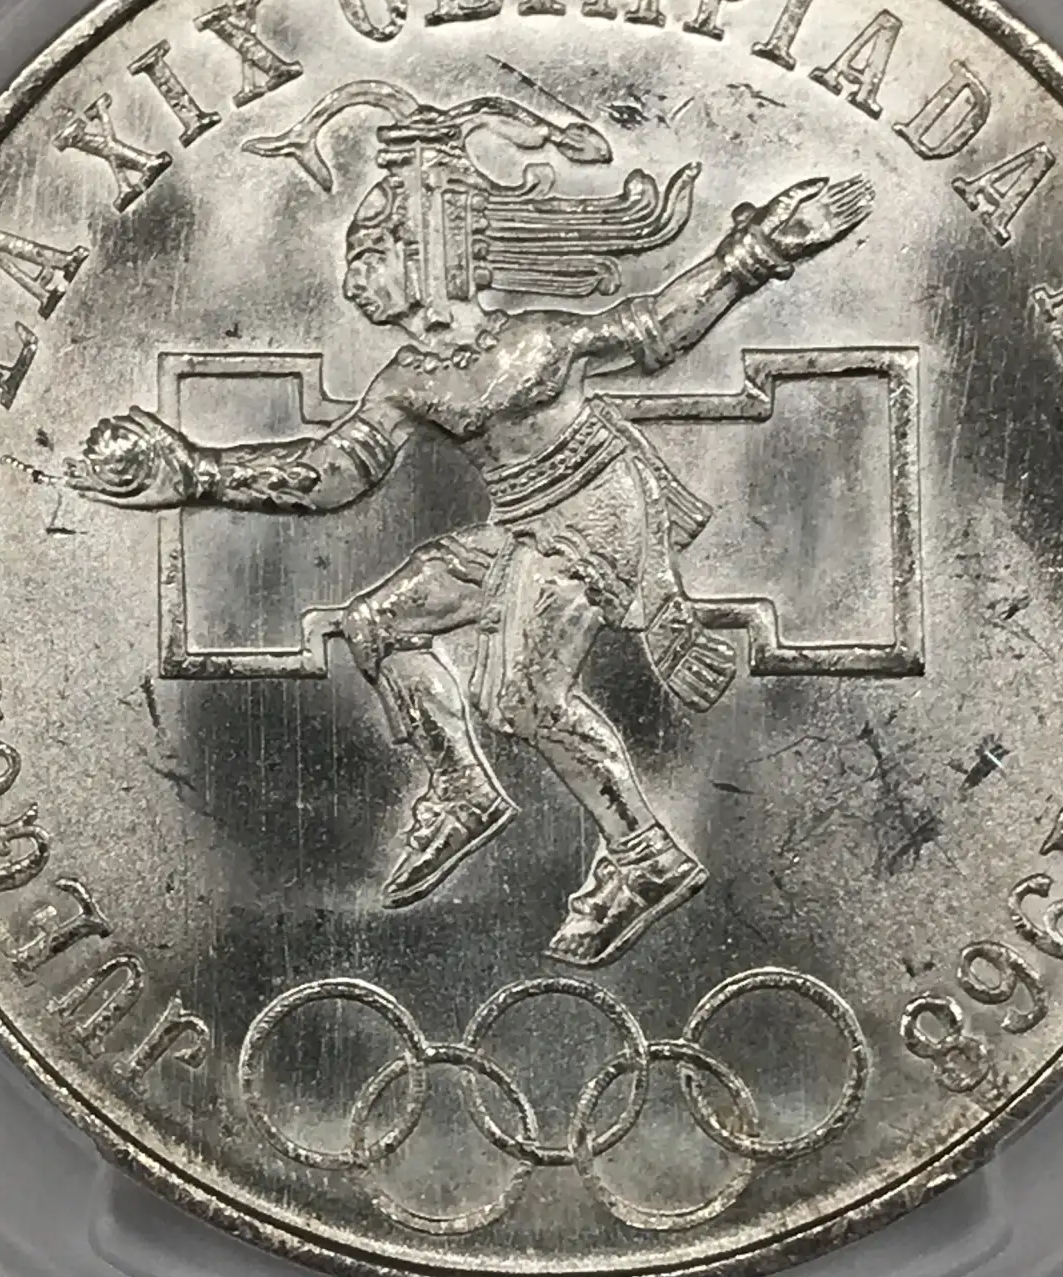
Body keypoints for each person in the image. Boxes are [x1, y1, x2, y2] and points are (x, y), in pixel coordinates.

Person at [71, 83, 874, 967]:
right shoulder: (407, 379)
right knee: (379, 622)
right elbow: (335, 474)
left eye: (370, 256)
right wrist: (199, 473)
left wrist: (756, 251)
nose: (353, 281)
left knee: (524, 698)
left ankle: (644, 857)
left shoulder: (535, 340)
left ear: (426, 254)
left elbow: (654, 328)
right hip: (525, 526)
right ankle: (461, 788)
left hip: (599, 513)